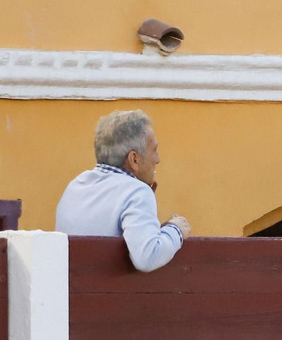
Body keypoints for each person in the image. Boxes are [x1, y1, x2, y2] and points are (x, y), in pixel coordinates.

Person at [54, 109, 189, 271]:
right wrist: (176, 230)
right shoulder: (136, 192)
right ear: (134, 159)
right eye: (154, 150)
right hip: (107, 291)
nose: (158, 159)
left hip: (69, 291)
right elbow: (148, 257)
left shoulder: (76, 184)